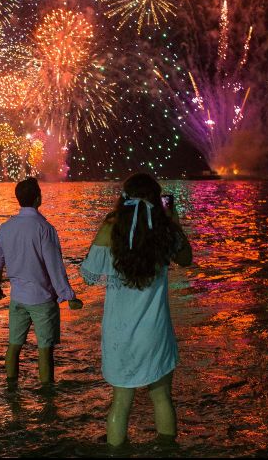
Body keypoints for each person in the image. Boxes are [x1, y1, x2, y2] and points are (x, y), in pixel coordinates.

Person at [80, 173, 192, 447]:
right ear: (156, 199)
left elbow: (88, 274)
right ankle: (167, 451)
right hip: (155, 332)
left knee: (120, 403)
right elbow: (187, 259)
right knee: (162, 396)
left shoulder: (113, 229)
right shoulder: (165, 231)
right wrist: (174, 221)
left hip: (120, 333)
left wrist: (103, 231)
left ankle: (115, 453)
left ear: (124, 198)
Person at [0, 177, 83, 387]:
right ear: (38, 199)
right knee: (45, 350)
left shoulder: (5, 228)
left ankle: (11, 390)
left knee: (13, 346)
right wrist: (69, 296)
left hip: (17, 298)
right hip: (42, 299)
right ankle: (47, 397)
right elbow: (55, 267)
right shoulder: (45, 228)